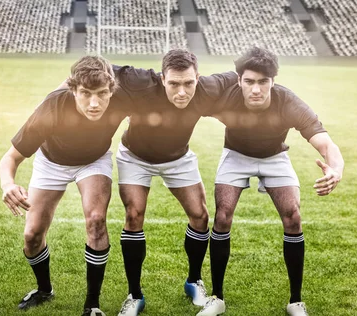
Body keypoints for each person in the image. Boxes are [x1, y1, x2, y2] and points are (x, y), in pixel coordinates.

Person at [197, 47, 344, 316]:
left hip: (275, 156)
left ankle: (295, 301)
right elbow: (186, 101)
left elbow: (324, 141)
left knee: (293, 216)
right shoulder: (224, 96)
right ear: (238, 79)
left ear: (273, 82)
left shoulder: (287, 102)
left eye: (263, 82)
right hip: (236, 155)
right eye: (250, 81)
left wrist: (336, 168)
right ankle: (217, 298)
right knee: (222, 216)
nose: (256, 89)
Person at [0, 55, 127, 316]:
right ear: (73, 90)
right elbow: (10, 157)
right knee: (32, 235)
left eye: (102, 93)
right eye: (85, 94)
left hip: (93, 161)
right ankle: (44, 290)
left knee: (96, 220)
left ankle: (92, 305)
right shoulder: (51, 108)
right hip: (51, 162)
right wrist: (8, 184)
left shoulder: (123, 97)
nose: (94, 103)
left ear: (111, 89)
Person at [111, 49, 237, 316]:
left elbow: (241, 75)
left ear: (198, 78)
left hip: (178, 159)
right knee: (134, 214)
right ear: (161, 78)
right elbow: (98, 68)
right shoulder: (140, 81)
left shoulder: (208, 87)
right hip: (135, 156)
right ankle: (134, 296)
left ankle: (194, 281)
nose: (182, 92)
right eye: (174, 84)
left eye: (189, 83)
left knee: (200, 215)